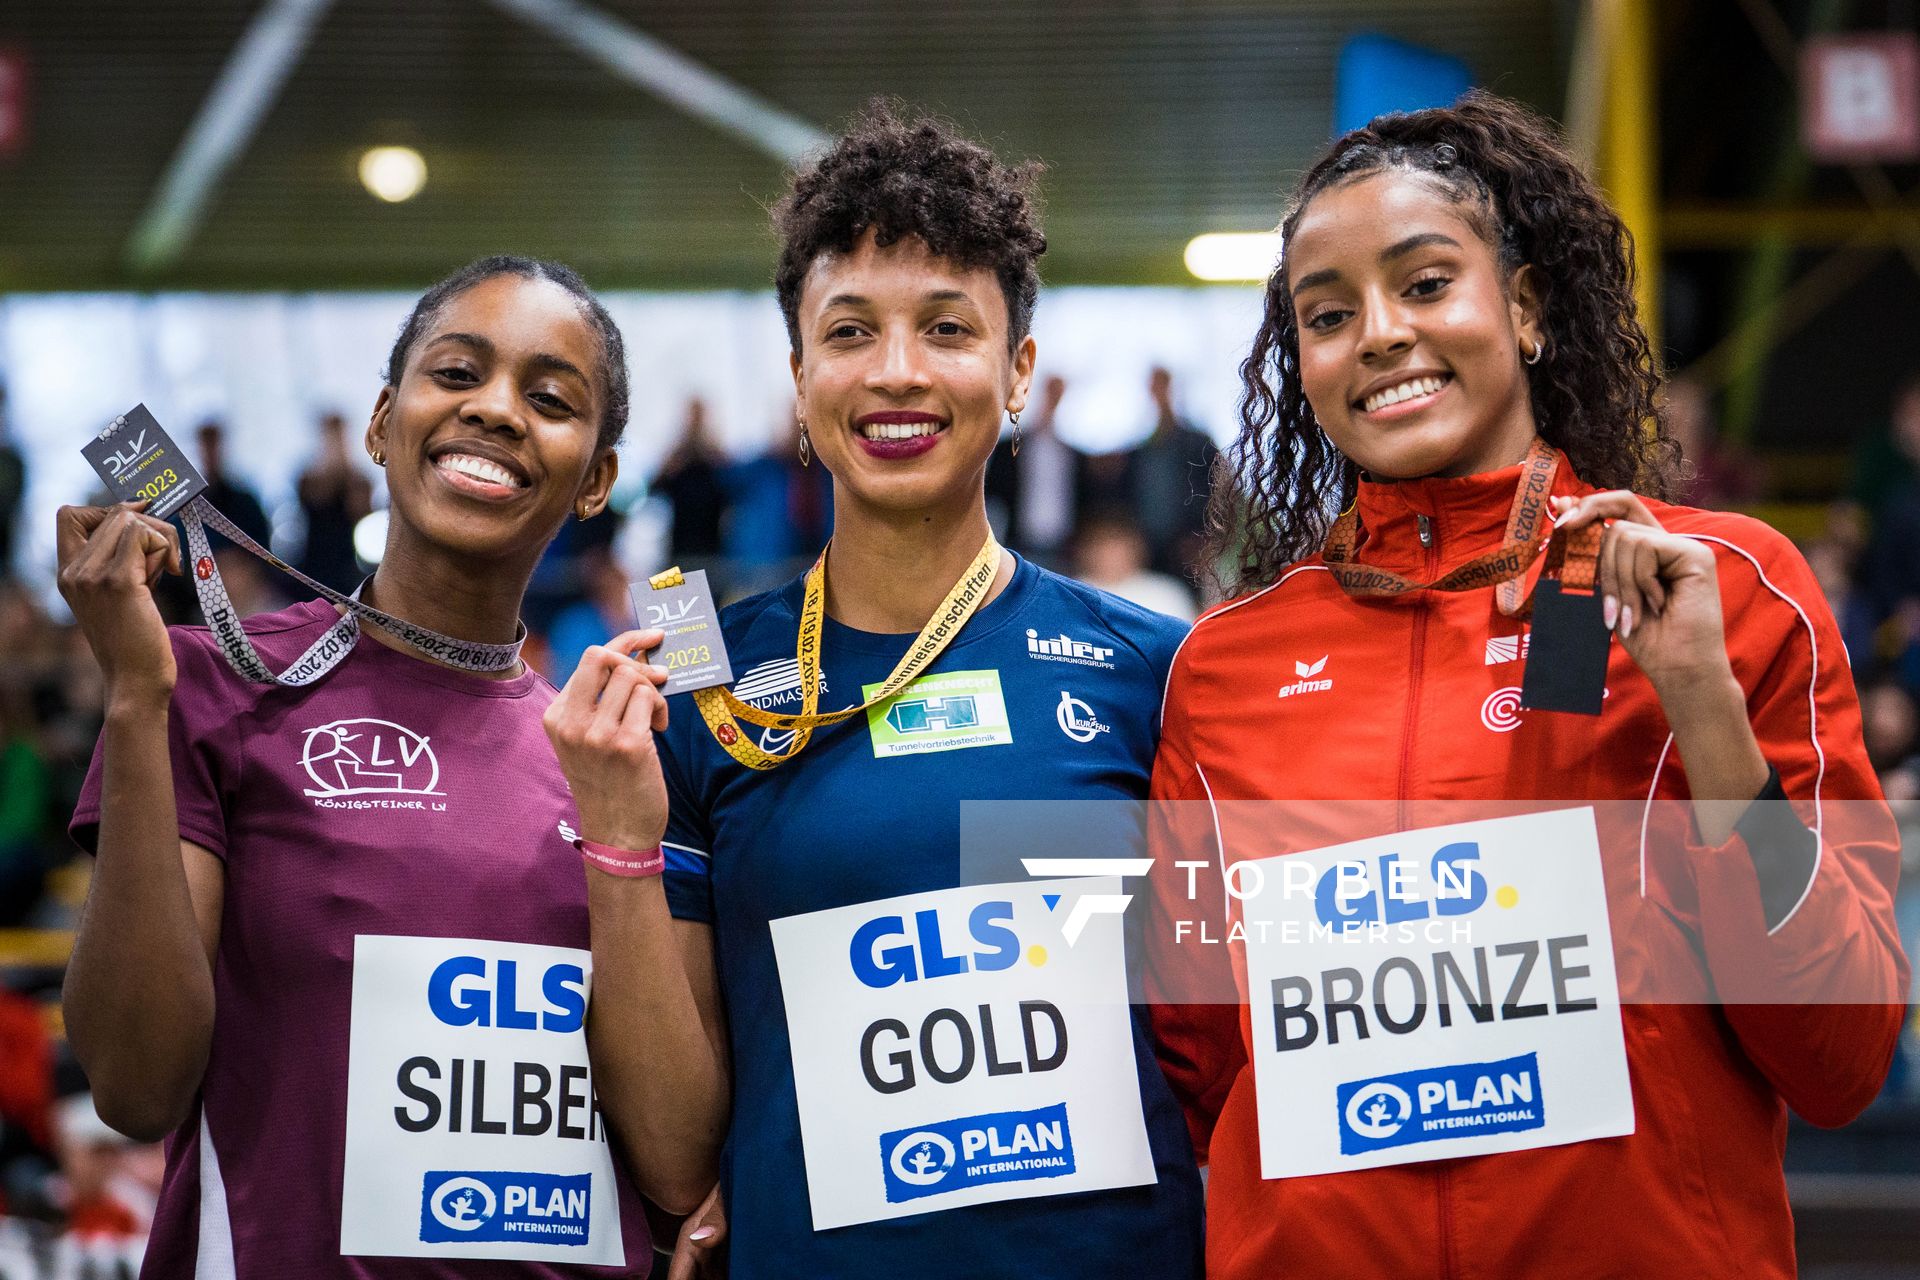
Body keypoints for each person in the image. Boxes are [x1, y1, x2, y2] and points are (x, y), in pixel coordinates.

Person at [1149, 92, 1907, 1279]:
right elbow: (1205, 1061)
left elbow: (1842, 1056)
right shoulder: (1225, 665)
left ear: (1530, 305)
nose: (1383, 334)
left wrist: (1701, 702)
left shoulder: (1728, 586)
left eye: (1427, 281)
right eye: (1330, 314)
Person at [545, 104, 1204, 1278]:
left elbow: (1225, 1052)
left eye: (947, 328)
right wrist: (616, 837)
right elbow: (675, 1145)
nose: (897, 370)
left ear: (1017, 373)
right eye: (850, 332)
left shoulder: (1152, 668)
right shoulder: (698, 680)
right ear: (801, 379)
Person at [57, 255, 683, 1276]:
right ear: (384, 423)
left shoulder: (612, 757)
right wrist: (135, 698)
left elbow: (670, 1154)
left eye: (551, 397)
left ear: (596, 480)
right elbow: (132, 1082)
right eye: (457, 372)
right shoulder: (210, 685)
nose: (495, 409)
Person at [296, 411, 375, 592]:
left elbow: (361, 511)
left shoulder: (358, 480)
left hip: (348, 563)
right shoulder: (308, 478)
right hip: (314, 562)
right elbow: (316, 498)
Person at [652, 397, 729, 563]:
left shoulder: (715, 459)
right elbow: (655, 487)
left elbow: (729, 491)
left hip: (710, 547)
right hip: (680, 546)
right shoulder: (678, 458)